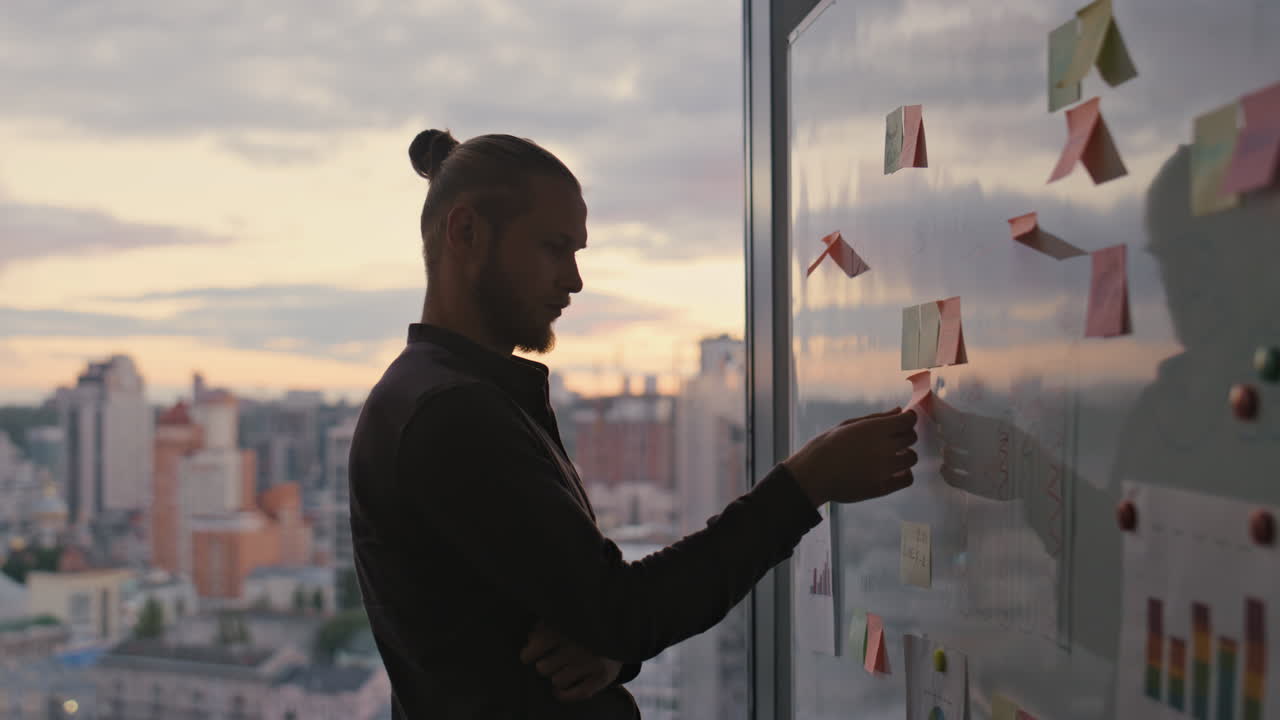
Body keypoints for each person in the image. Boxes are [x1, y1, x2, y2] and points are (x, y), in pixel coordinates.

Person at [348, 128, 919, 718]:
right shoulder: (451, 414)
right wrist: (806, 483)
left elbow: (586, 615)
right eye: (554, 248)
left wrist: (611, 647)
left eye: (576, 252)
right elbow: (622, 611)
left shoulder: (436, 395)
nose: (574, 280)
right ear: (466, 232)